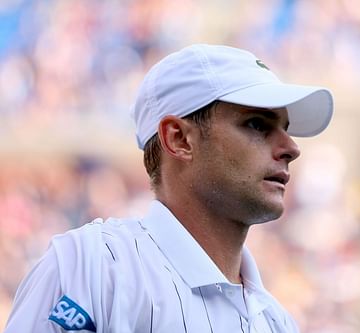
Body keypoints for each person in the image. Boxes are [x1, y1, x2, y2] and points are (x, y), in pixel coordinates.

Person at [4, 44, 334, 332]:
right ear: (178, 138)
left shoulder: (277, 322)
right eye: (256, 124)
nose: (291, 148)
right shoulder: (90, 267)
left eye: (285, 128)